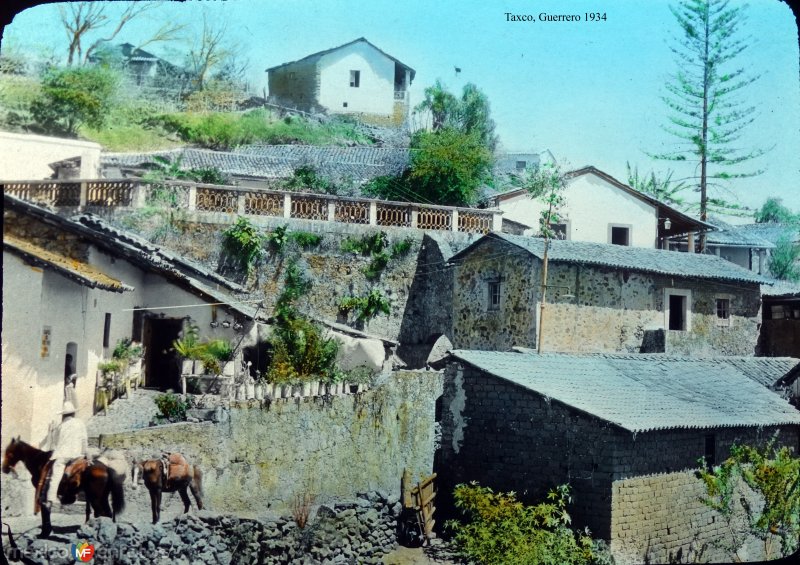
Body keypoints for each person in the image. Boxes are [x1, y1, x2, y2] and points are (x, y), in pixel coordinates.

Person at [41, 401, 88, 506]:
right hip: (77, 454)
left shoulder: (60, 426)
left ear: (63, 415)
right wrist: (85, 454)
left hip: (63, 455)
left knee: (55, 476)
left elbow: (56, 442)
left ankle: (51, 499)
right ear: (73, 414)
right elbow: (84, 440)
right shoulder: (80, 423)